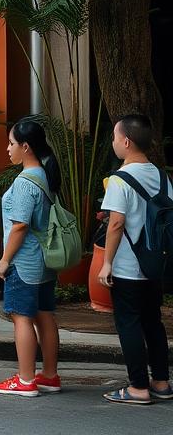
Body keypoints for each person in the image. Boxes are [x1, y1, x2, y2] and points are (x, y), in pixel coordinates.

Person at [98, 113, 172, 405]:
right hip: (155, 264)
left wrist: (107, 263)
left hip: (129, 267)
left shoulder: (120, 180)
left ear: (126, 141)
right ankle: (162, 382)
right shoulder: (163, 176)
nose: (114, 142)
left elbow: (116, 224)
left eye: (116, 137)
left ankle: (138, 387)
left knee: (129, 323)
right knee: (153, 322)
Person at [0, 118, 62, 397]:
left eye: (11, 143)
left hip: (24, 262)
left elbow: (20, 226)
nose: (8, 149)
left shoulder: (24, 182)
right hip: (43, 261)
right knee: (44, 316)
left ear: (26, 147)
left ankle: (26, 379)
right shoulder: (44, 175)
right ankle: (50, 375)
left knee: (22, 318)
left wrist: (4, 260)